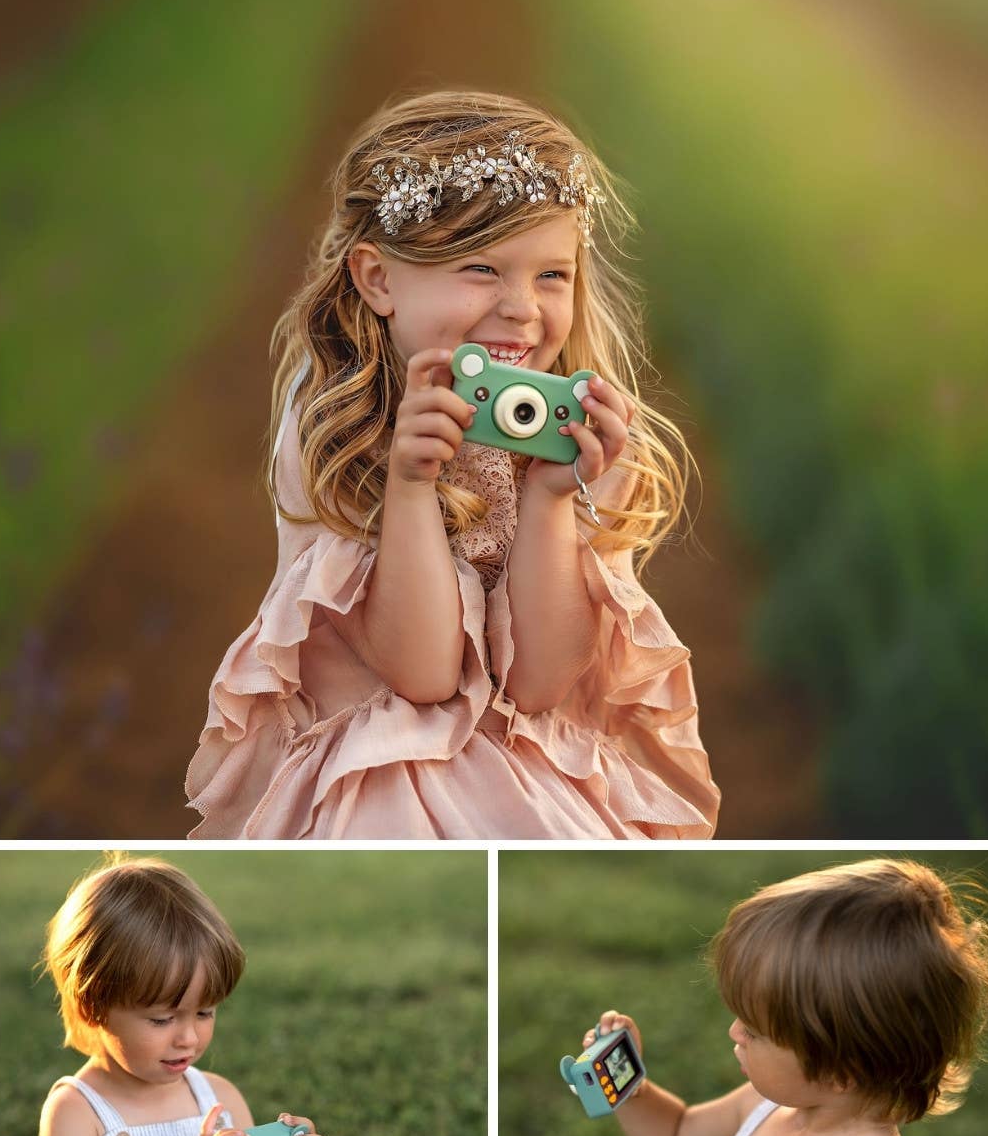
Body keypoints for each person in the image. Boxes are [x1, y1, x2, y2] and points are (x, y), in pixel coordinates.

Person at [184, 89, 721, 839]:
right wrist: (409, 487)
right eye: (479, 268)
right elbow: (424, 677)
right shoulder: (339, 429)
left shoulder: (584, 433)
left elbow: (537, 685)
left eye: (552, 275)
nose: (521, 309)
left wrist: (552, 498)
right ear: (377, 281)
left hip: (535, 770)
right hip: (379, 768)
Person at [592, 858, 988, 1136]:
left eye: (754, 1030)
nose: (734, 1031)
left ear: (840, 1070)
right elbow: (675, 1135)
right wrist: (629, 1086)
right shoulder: (766, 1106)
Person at [22, 856, 343, 1136]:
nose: (188, 1038)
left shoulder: (217, 1096)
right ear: (94, 1005)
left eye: (205, 1013)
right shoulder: (77, 1110)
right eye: (162, 1020)